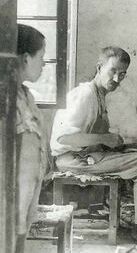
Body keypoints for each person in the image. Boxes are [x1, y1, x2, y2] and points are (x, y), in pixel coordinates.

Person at [50, 47, 137, 240]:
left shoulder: (99, 94)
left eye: (123, 74)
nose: (117, 79)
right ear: (99, 67)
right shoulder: (84, 94)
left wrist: (116, 144)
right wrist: (104, 139)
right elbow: (64, 138)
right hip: (71, 160)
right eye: (113, 71)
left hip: (86, 155)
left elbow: (90, 134)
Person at [15, 24, 50, 253]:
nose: (44, 63)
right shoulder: (9, 99)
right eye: (41, 56)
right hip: (12, 186)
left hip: (28, 184)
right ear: (26, 58)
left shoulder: (26, 95)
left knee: (20, 232)